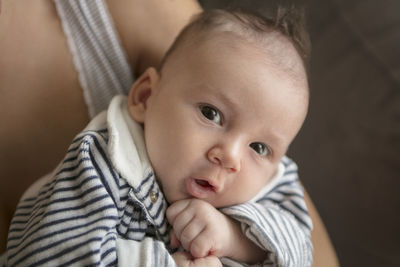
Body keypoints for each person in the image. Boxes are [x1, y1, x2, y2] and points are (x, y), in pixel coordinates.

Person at [0, 1, 339, 266]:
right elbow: (46, 257)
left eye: (260, 147)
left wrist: (235, 238)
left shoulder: (272, 183)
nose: (231, 157)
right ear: (145, 97)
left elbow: (302, 251)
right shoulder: (102, 164)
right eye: (211, 114)